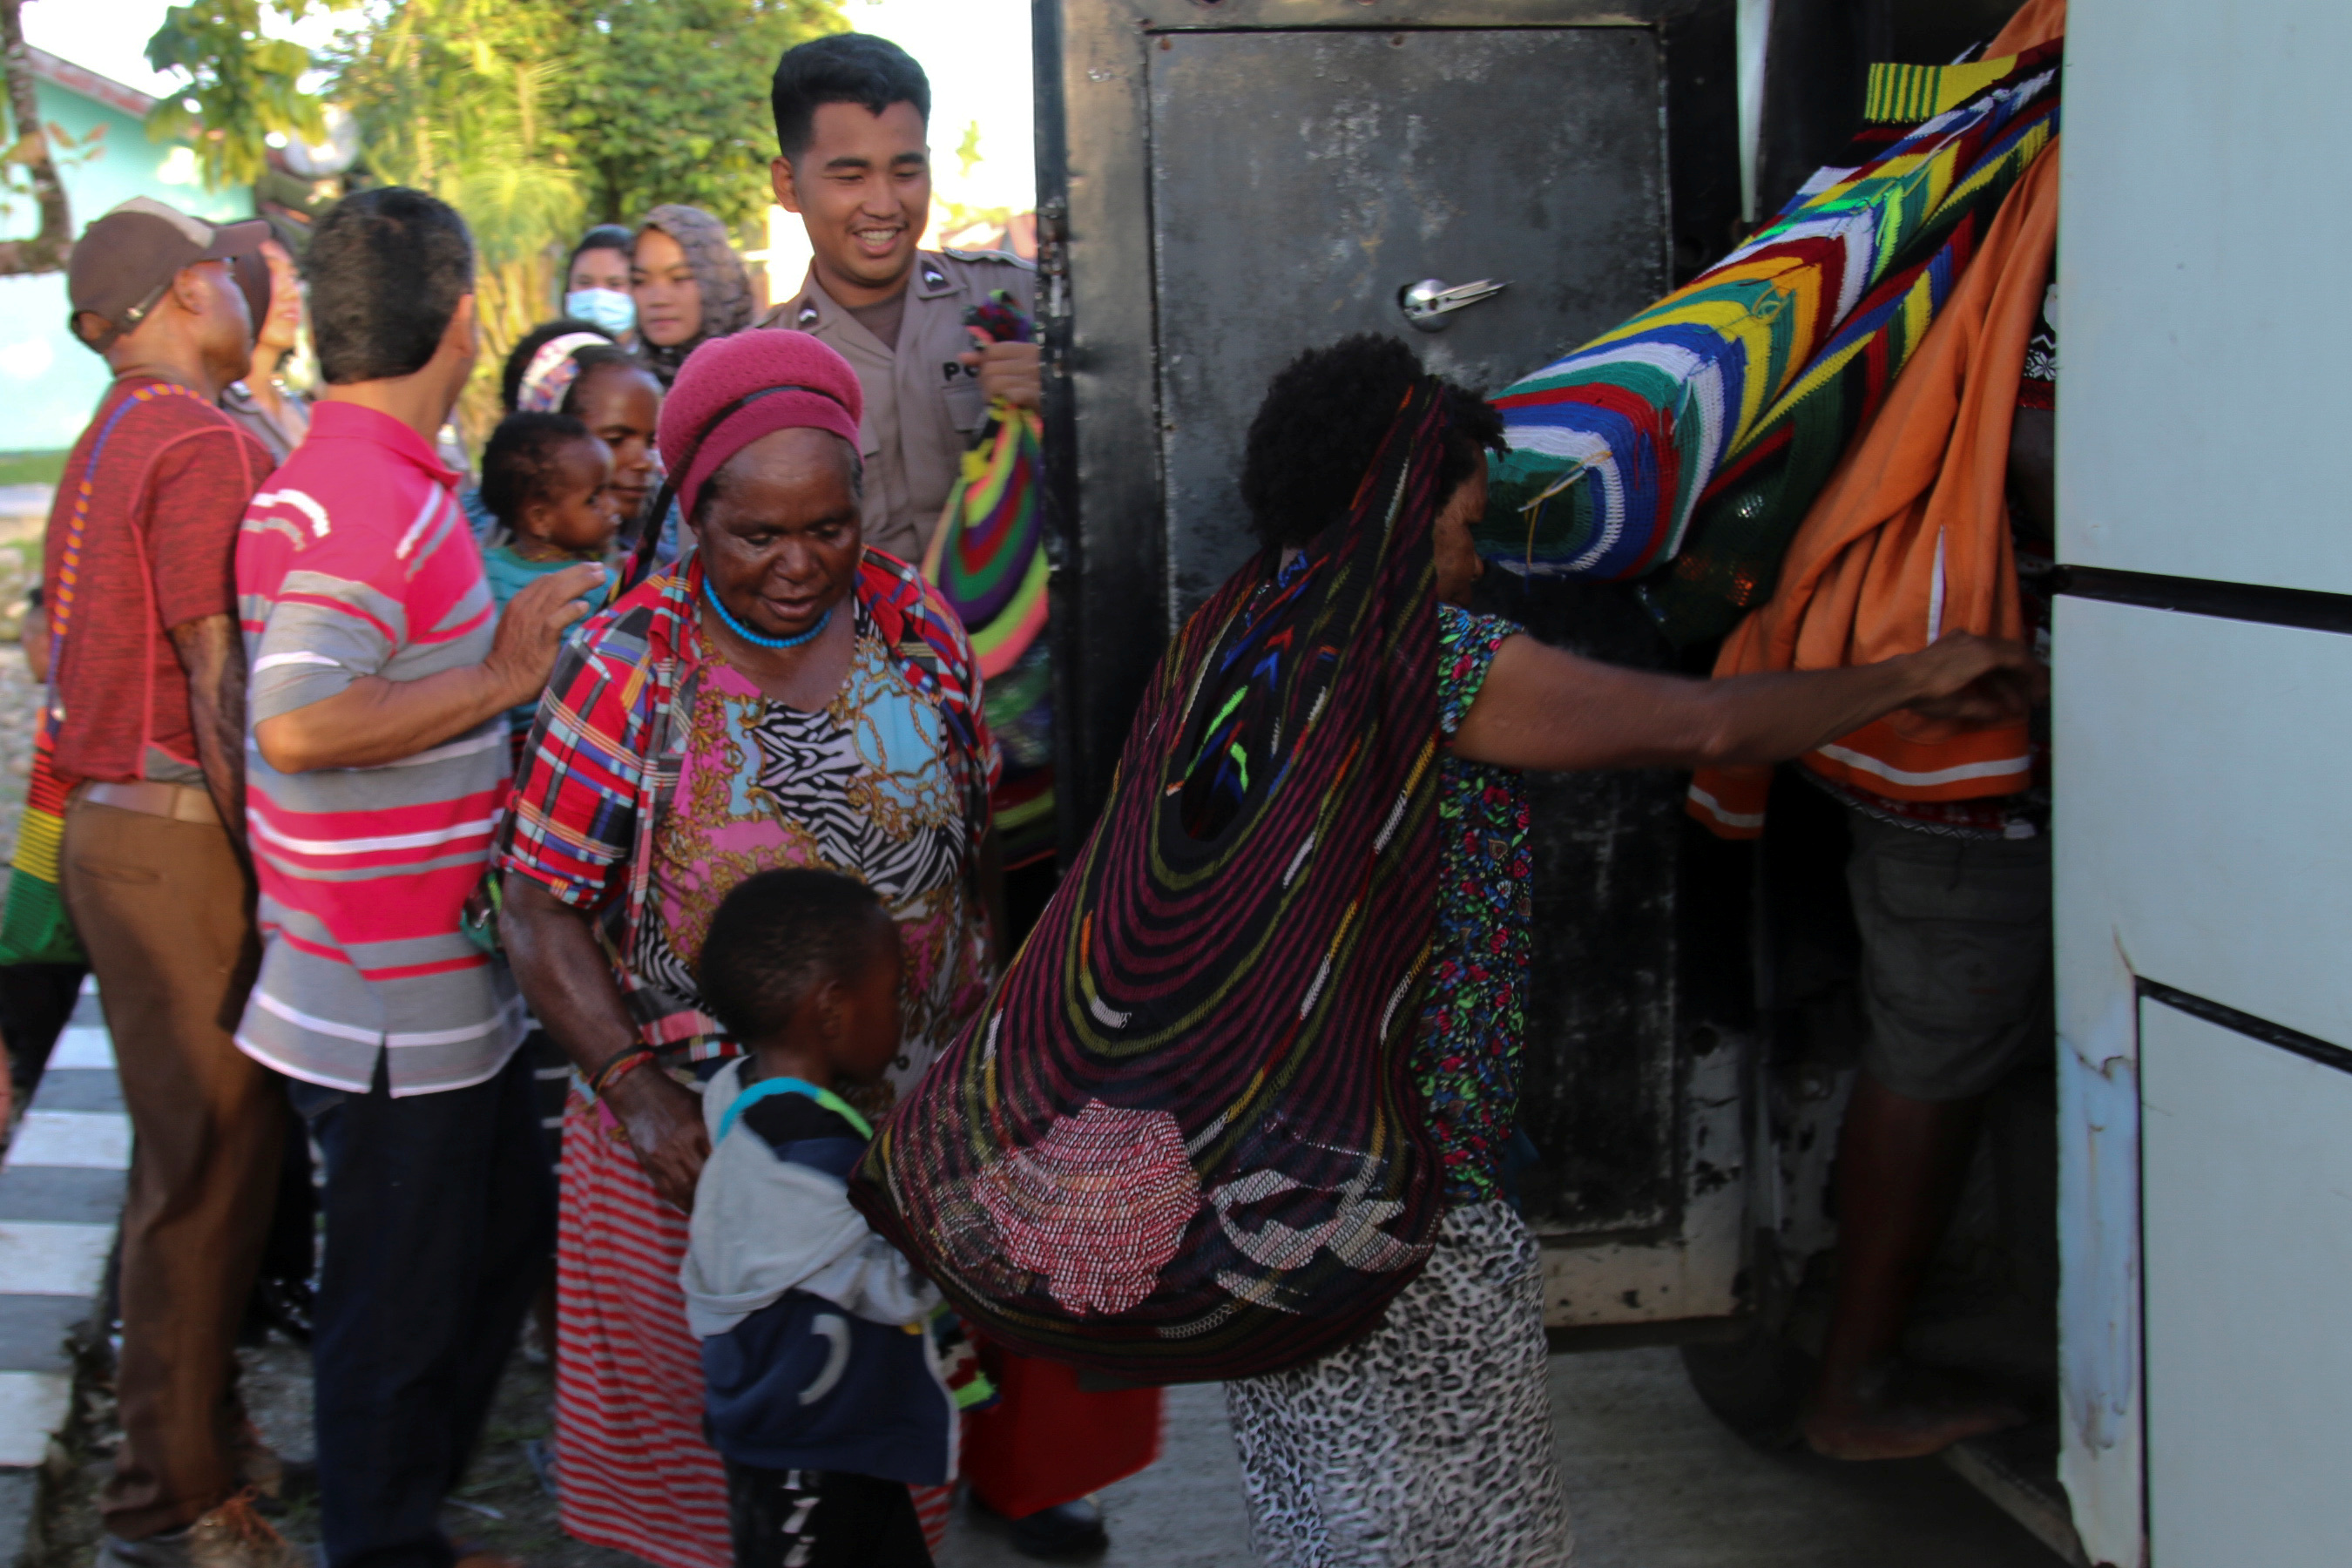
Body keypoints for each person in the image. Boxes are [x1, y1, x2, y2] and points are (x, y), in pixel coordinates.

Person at [1209, 335, 2036, 1566]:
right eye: (1462, 525)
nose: (1473, 560)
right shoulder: (1430, 658)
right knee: (1457, 1529)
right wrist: (1911, 674)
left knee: (1329, 1509)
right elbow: (1699, 722)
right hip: (1400, 1188)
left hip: (1265, 1172)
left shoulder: (1250, 630)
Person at [495, 328, 998, 1568]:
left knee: (877, 1485)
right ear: (693, 515)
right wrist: (641, 1097)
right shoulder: (629, 670)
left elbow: (976, 842)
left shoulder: (917, 628)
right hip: (695, 1164)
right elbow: (536, 907)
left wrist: (979, 1037)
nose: (796, 566)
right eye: (756, 535)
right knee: (718, 1505)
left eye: (826, 528)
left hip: (892, 1136)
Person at [233, 186, 605, 1568]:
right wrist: (508, 674)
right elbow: (296, 717)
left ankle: (410, 1529)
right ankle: (383, 1547)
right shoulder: (356, 501)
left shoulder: (359, 477)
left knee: (489, 1257)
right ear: (462, 321)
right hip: (385, 1003)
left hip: (435, 986)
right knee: (395, 1311)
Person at [49, 195, 293, 1568]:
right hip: (176, 828)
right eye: (236, 269)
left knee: (200, 1164)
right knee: (203, 1174)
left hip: (110, 829)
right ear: (195, 292)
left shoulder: (107, 436)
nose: (257, 287)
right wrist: (277, 867)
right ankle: (177, 1501)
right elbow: (217, 672)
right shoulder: (195, 436)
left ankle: (199, 1435)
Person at [683, 870, 953, 1568]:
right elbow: (902, 1287)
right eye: (892, 995)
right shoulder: (811, 1156)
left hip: (830, 1431)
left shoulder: (738, 1093)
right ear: (830, 1012)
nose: (902, 1015)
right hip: (802, 1454)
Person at [762, 35, 1038, 565]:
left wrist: (1076, 402)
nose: (885, 204)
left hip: (1025, 642)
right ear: (789, 185)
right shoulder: (763, 369)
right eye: (851, 176)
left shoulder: (1025, 301)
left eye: (907, 172)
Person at [478, 409, 621, 749]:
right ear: (540, 518)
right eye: (594, 498)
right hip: (573, 744)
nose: (611, 507)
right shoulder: (596, 582)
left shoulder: (481, 571)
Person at [634, 205, 755, 388]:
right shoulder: (619, 385)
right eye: (639, 281)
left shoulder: (760, 383)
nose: (658, 299)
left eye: (679, 278)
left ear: (717, 283)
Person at [220, 234, 310, 463]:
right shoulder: (215, 412)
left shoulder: (303, 410)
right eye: (270, 272)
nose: (291, 292)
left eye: (292, 276)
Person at [564, 223, 639, 344]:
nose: (597, 298)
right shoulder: (545, 359)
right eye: (585, 282)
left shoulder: (668, 360)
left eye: (615, 284)